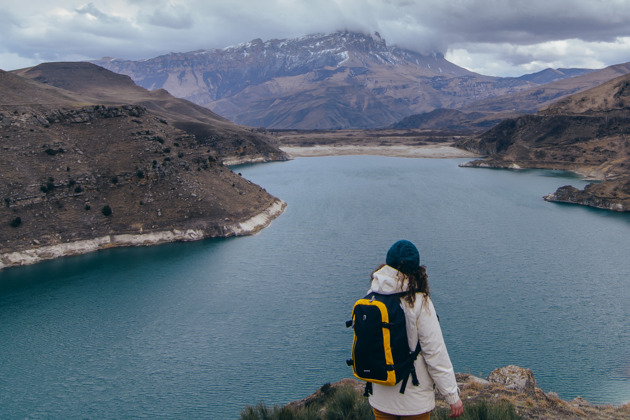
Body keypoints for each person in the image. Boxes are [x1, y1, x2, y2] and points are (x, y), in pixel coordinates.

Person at [367, 240, 463, 420]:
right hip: (413, 400)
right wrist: (452, 396)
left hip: (380, 391)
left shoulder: (372, 295)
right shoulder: (419, 301)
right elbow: (435, 352)